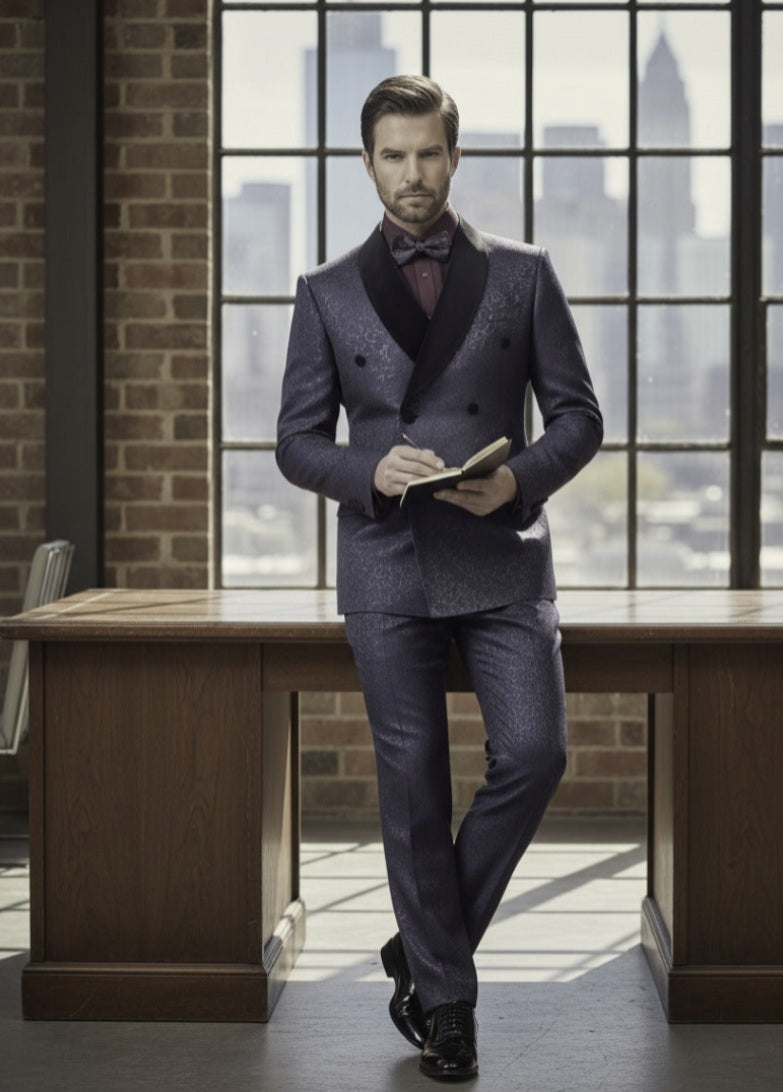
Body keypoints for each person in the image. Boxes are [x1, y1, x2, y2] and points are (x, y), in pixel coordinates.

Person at [277, 74, 603, 1081]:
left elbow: (581, 416)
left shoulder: (524, 273)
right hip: (387, 560)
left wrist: (514, 481)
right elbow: (296, 444)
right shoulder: (327, 291)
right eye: (392, 155)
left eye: (428, 153)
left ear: (455, 157)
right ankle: (447, 1006)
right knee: (412, 787)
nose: (412, 175)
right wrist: (366, 470)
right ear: (367, 162)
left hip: (501, 555)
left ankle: (424, 945)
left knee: (537, 754)